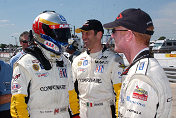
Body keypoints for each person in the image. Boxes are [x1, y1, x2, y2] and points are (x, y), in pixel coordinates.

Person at [103, 8, 172, 118]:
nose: (112, 36)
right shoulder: (146, 67)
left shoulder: (141, 78)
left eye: (114, 31)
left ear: (129, 35)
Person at [10, 11, 80, 118]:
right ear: (43, 32)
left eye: (64, 32)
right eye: (59, 32)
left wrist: (76, 115)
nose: (63, 37)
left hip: (63, 114)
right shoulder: (25, 63)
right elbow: (18, 103)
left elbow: (71, 94)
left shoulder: (65, 62)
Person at [72, 19, 124, 118]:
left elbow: (120, 92)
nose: (83, 37)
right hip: (83, 112)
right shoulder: (77, 60)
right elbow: (72, 90)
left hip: (104, 111)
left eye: (87, 33)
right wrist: (75, 113)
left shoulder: (115, 59)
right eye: (82, 34)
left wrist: (118, 115)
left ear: (99, 34)